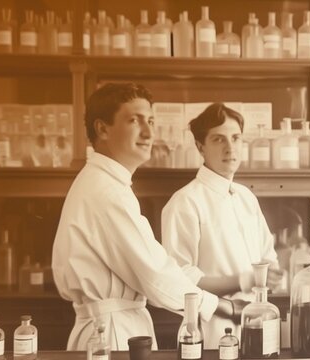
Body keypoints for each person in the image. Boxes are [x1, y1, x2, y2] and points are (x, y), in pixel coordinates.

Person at [52, 84, 244, 351]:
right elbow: (156, 275)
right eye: (134, 120)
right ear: (102, 129)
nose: (149, 132)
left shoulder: (105, 183)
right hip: (112, 333)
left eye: (151, 121)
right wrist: (223, 307)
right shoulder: (106, 191)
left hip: (114, 327)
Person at [161, 103, 283, 348]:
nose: (230, 148)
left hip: (259, 324)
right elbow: (179, 279)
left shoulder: (246, 197)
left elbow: (268, 259)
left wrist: (272, 276)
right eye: (219, 139)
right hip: (211, 330)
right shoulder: (185, 202)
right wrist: (243, 280)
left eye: (236, 138)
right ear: (200, 147)